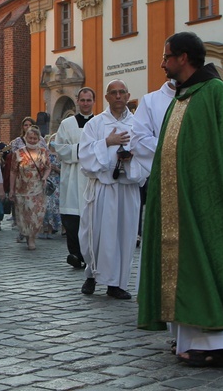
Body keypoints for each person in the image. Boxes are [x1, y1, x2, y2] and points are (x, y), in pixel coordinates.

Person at [137, 31, 223, 368]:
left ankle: (219, 343)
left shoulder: (215, 94)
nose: (162, 63)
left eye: (166, 56)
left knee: (213, 265)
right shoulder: (182, 99)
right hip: (181, 208)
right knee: (189, 271)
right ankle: (193, 340)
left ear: (184, 58)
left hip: (211, 206)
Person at [79, 79, 147, 300]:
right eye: (113, 93)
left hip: (127, 189)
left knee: (124, 235)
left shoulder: (139, 125)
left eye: (122, 92)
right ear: (107, 97)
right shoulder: (95, 124)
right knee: (97, 234)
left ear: (128, 96)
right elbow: (85, 156)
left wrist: (130, 158)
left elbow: (147, 155)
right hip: (103, 188)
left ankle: (116, 283)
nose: (118, 96)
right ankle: (91, 274)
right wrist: (107, 143)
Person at [130, 79, 176, 244]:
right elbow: (138, 141)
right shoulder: (151, 101)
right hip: (163, 178)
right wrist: (177, 148)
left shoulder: (204, 96)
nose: (163, 64)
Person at [54, 87, 96, 269]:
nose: (85, 103)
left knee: (92, 219)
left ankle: (90, 255)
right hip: (72, 178)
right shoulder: (67, 124)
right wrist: (82, 150)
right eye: (83, 100)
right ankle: (75, 254)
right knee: (72, 220)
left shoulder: (100, 123)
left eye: (89, 100)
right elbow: (60, 148)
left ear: (94, 102)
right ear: (77, 101)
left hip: (92, 178)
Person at [8, 125, 51, 250]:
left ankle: (32, 235)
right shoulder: (18, 153)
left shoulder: (43, 152)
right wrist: (11, 189)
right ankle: (29, 237)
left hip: (37, 186)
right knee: (24, 214)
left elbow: (48, 166)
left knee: (36, 213)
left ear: (38, 139)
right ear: (26, 137)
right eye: (30, 138)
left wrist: (44, 177)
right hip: (22, 188)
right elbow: (13, 171)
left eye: (34, 138)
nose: (32, 140)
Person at [41, 135, 62, 239]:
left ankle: (51, 228)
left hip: (57, 183)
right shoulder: (45, 154)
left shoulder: (60, 155)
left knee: (54, 207)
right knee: (46, 205)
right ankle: (43, 228)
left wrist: (57, 169)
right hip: (47, 181)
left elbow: (65, 172)